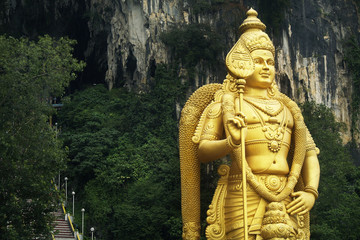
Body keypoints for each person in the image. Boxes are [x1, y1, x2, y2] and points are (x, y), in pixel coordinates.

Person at [179, 8, 320, 240]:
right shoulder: (227, 106)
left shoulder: (289, 109)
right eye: (258, 61)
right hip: (242, 192)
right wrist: (230, 142)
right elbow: (202, 151)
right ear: (241, 65)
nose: (266, 67)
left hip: (286, 193)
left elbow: (309, 153)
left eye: (270, 62)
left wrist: (311, 192)